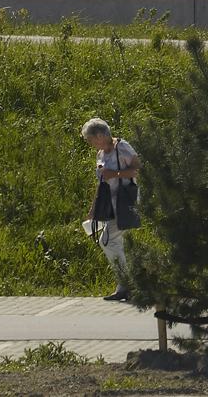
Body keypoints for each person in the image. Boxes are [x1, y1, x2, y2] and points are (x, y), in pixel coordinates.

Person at [81, 118, 140, 302]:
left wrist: (115, 174)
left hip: (125, 201)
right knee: (112, 243)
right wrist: (94, 208)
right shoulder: (100, 155)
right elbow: (101, 181)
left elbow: (137, 170)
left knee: (107, 242)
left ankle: (127, 284)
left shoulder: (122, 147)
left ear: (100, 136)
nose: (91, 144)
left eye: (91, 140)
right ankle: (126, 285)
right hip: (109, 203)